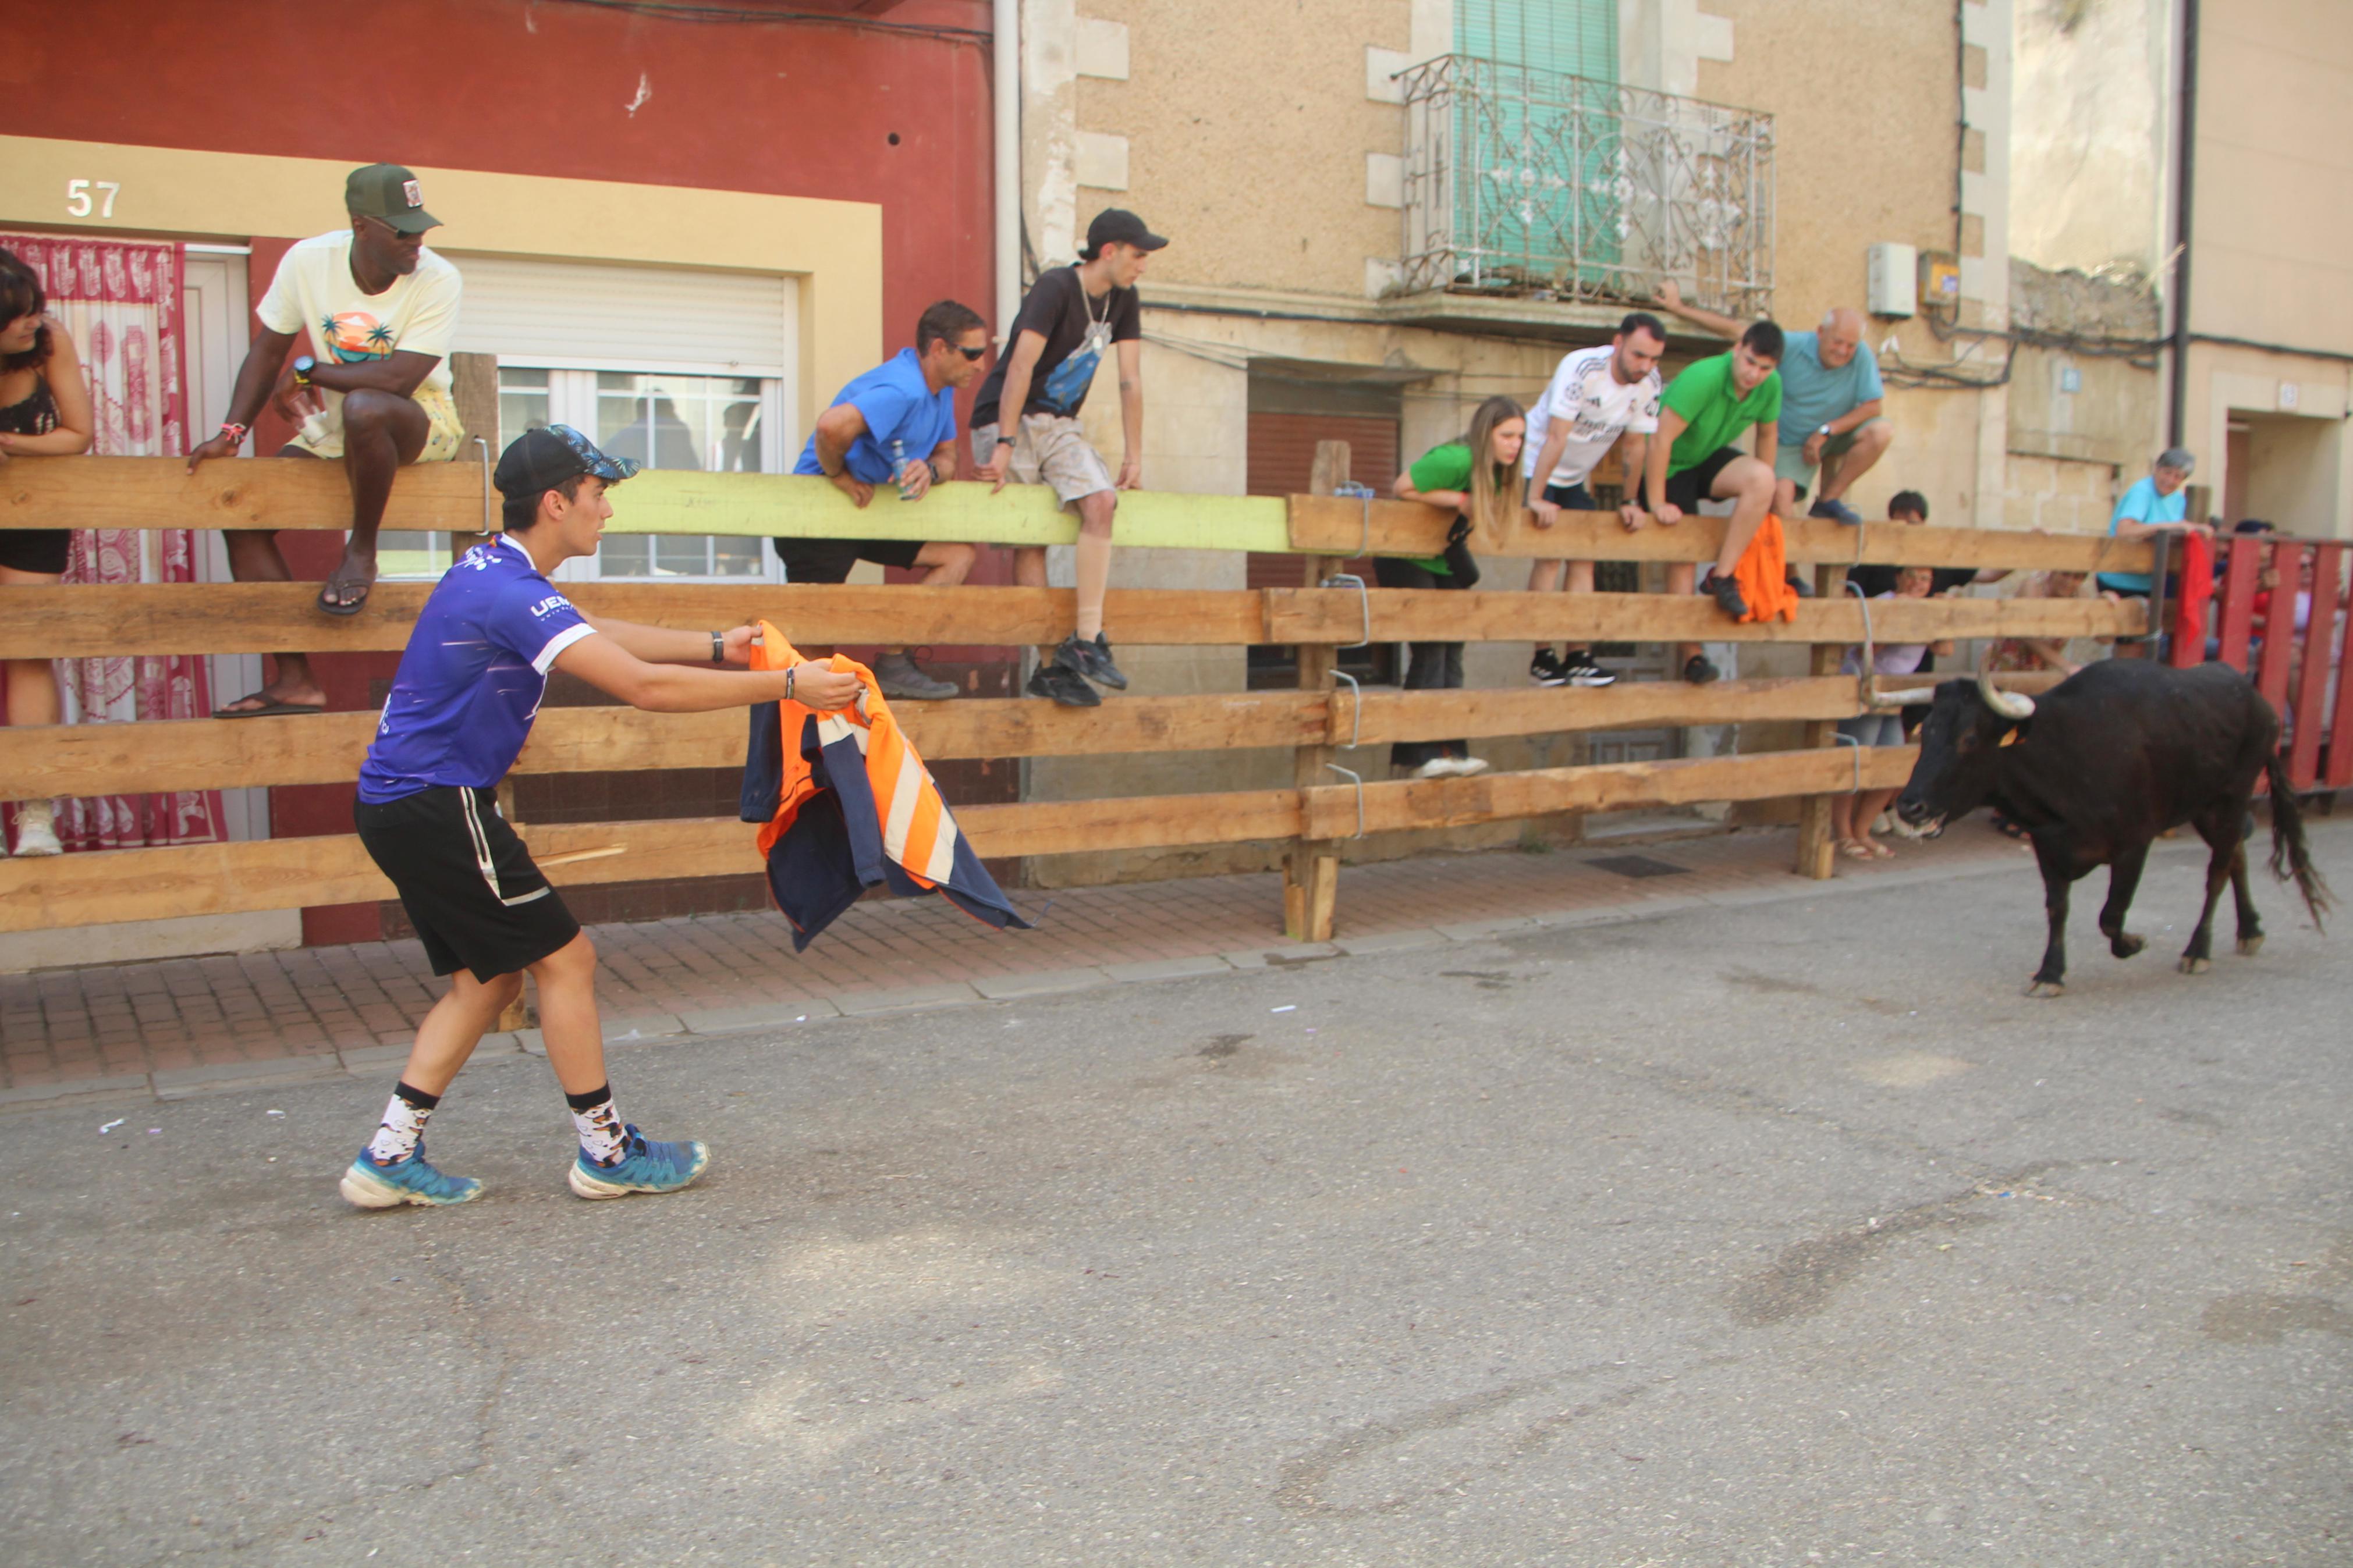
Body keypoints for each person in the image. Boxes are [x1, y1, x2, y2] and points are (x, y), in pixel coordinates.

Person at [339, 425, 861, 1209]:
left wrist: (719, 644)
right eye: (597, 493)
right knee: (567, 960)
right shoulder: (509, 589)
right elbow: (644, 688)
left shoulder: (495, 568)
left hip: (407, 802)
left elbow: (597, 635)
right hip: (435, 800)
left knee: (485, 982)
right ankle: (607, 1151)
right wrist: (788, 683)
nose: (606, 510)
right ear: (555, 502)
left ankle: (388, 1155)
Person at [186, 164, 466, 714]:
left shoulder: (438, 278)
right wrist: (230, 432)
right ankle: (295, 680)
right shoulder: (308, 261)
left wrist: (310, 371)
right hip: (343, 427)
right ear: (362, 227)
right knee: (243, 519)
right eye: (402, 230)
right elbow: (268, 351)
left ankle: (361, 551)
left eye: (421, 228)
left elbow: (397, 382)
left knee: (366, 405)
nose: (417, 241)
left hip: (422, 419)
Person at [973, 209, 1166, 707]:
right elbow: (1019, 364)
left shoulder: (1124, 300)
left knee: (1102, 502)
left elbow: (1130, 379)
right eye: (1138, 254)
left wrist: (1136, 455)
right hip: (1007, 417)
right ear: (1110, 251)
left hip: (1059, 424)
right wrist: (1005, 441)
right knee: (1030, 544)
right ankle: (1047, 668)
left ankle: (1086, 640)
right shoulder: (1055, 288)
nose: (1142, 265)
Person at [775, 300, 990, 701]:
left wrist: (931, 470)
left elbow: (948, 456)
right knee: (818, 654)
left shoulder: (938, 390)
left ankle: (894, 662)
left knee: (957, 555)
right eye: (973, 353)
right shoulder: (904, 389)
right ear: (940, 349)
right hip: (816, 519)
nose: (981, 364)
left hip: (864, 516)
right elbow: (830, 426)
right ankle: (810, 749)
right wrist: (838, 475)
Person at [0, 248, 95, 858]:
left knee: (30, 654)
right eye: (16, 317)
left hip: (33, 514)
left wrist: (6, 442)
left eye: (35, 307)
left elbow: (78, 434)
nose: (32, 321)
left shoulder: (50, 339)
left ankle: (37, 813)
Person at [1659, 285, 1889, 527]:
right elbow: (1739, 332)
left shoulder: (1861, 355)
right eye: (1838, 342)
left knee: (1881, 431)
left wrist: (1827, 430)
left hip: (1833, 433)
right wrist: (1679, 308)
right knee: (1780, 502)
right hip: (1792, 443)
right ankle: (1787, 566)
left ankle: (1828, 500)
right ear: (1821, 332)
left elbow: (1873, 407)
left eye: (1851, 346)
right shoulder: (1791, 345)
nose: (1843, 351)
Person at [1521, 312, 1665, 688]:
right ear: (1617, 343)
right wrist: (1535, 496)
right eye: (1638, 356)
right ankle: (1542, 655)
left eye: (1653, 359)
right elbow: (1555, 436)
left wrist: (1631, 500)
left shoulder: (1649, 382)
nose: (1644, 366)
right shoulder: (1582, 367)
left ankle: (1578, 655)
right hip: (1535, 464)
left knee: (1585, 556)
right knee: (1551, 553)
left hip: (1574, 475)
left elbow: (1635, 444)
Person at [1384, 396, 1524, 779]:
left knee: (1452, 650)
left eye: (1520, 437)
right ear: (1486, 434)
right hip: (1405, 555)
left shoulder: (1502, 471)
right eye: (1506, 435)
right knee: (1430, 649)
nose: (1514, 444)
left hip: (1442, 556)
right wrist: (1459, 499)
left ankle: (1451, 749)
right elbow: (1402, 486)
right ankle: (1416, 754)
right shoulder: (1457, 459)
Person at [1638, 318, 1786, 683]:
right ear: (1737, 350)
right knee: (1684, 559)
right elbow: (1660, 440)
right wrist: (1657, 502)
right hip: (1667, 465)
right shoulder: (1703, 377)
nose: (1754, 374)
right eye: (1750, 362)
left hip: (1706, 459)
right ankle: (1693, 657)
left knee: (1764, 479)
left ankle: (1722, 576)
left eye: (1765, 368)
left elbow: (1768, 435)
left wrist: (1763, 501)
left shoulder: (1771, 387)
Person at [1832, 566, 1951, 859]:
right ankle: (1843, 834)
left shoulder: (1926, 607)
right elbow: (1865, 650)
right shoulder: (1884, 602)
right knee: (1856, 763)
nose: (1917, 583)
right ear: (1898, 578)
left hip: (1894, 696)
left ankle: (1862, 831)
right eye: (1911, 576)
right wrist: (1901, 614)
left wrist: (1936, 615)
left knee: (1892, 765)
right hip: (1866, 689)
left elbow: (1945, 648)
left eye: (1924, 578)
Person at [2097, 447, 2209, 658]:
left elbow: (2174, 527)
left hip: (2151, 580)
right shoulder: (2143, 491)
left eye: (2178, 476)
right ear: (2156, 469)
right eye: (2167, 472)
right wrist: (2163, 527)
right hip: (2121, 577)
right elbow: (2125, 530)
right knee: (2130, 644)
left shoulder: (2177, 498)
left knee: (2149, 641)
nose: (2171, 480)